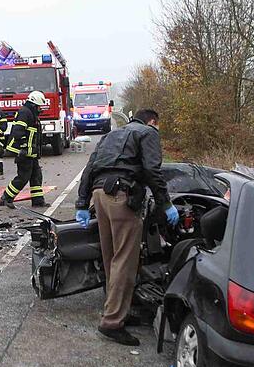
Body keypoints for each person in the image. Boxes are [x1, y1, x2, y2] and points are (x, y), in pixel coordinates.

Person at [74, 109, 177, 347]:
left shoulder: (111, 135)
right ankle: (112, 322)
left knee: (112, 258)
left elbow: (89, 169)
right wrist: (166, 203)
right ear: (153, 121)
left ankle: (118, 309)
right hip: (123, 197)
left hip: (99, 196)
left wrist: (82, 203)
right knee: (125, 260)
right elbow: (153, 170)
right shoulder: (148, 132)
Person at [0, 90, 47, 208]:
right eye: (39, 106)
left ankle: (38, 201)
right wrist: (23, 147)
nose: (41, 109)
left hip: (31, 152)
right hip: (25, 152)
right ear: (35, 104)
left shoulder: (31, 112)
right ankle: (6, 198)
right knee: (23, 177)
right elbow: (18, 131)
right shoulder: (25, 112)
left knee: (36, 176)